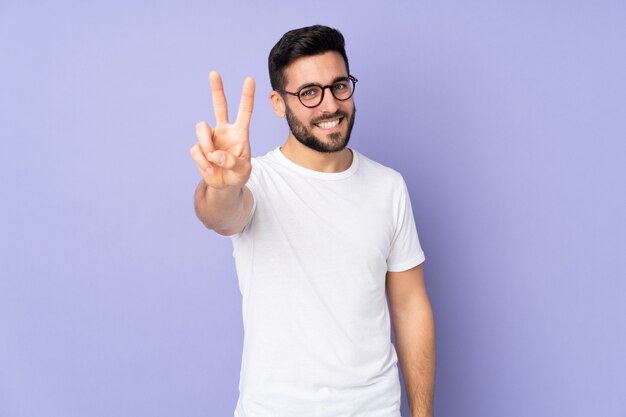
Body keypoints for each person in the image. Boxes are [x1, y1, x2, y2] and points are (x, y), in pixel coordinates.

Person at [189, 25, 435, 417]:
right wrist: (221, 186)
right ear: (277, 102)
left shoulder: (389, 187)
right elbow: (219, 215)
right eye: (308, 92)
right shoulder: (256, 182)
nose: (329, 105)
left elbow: (410, 307)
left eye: (339, 86)